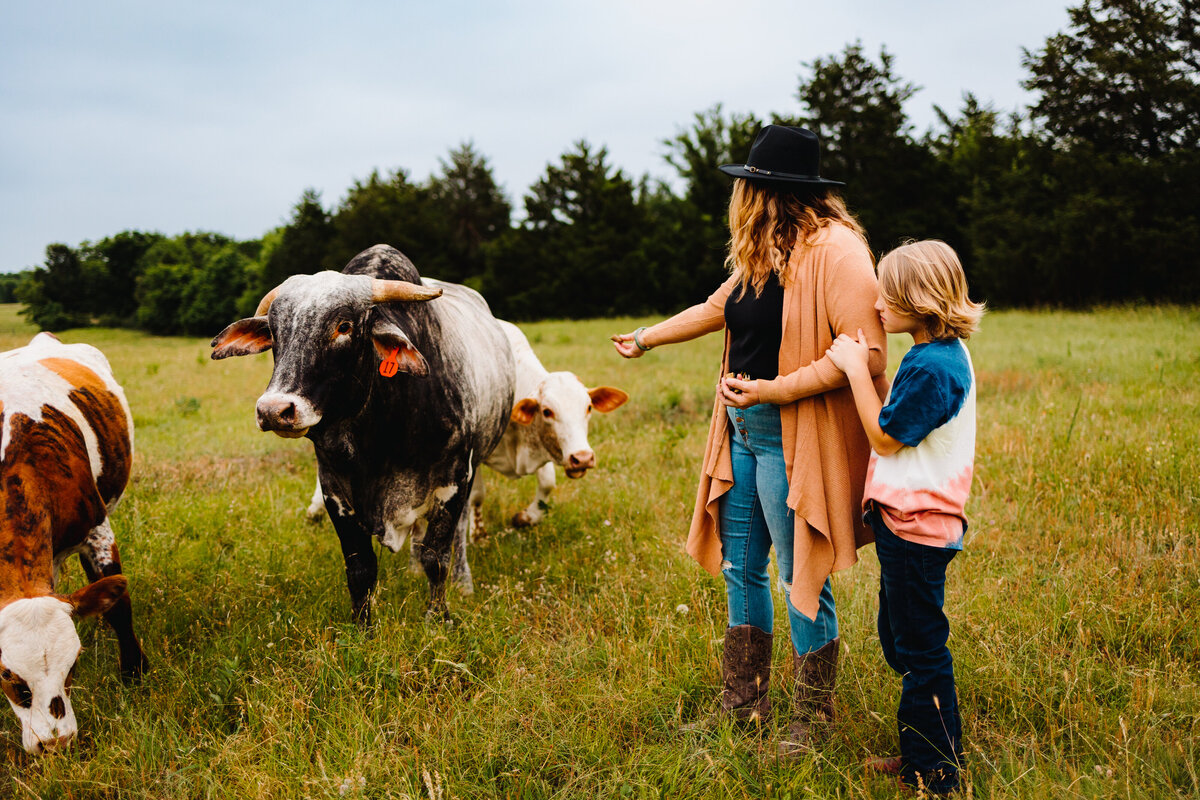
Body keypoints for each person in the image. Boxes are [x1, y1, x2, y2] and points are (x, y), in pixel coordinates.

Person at [612, 125, 888, 755]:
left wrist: (777, 391)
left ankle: (812, 725)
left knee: (800, 575)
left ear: (768, 190)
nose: (740, 193)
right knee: (742, 569)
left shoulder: (839, 251)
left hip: (791, 435)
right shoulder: (765, 247)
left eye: (747, 183)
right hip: (740, 430)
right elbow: (718, 308)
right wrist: (647, 337)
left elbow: (868, 356)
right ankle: (745, 707)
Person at [825, 239, 983, 795]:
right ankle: (920, 745)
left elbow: (886, 437)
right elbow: (901, 414)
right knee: (899, 640)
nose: (876, 306)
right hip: (902, 524)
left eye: (887, 297)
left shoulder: (936, 367)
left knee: (920, 651)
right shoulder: (930, 355)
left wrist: (852, 370)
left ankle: (936, 771)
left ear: (921, 300)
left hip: (918, 528)